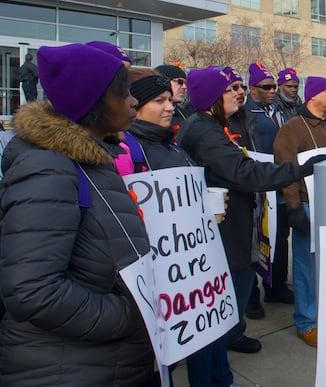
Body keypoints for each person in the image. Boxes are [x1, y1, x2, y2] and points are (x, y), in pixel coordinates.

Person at [0, 43, 154, 386]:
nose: (133, 102)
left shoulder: (94, 158)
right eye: (124, 92)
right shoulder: (48, 168)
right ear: (95, 101)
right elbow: (32, 291)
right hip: (66, 369)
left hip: (107, 362)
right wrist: (133, 313)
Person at [176, 67, 326, 356]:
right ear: (212, 99)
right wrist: (299, 170)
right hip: (224, 226)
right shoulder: (205, 132)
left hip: (235, 219)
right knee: (232, 286)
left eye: (239, 88)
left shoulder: (210, 126)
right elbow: (243, 172)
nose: (239, 93)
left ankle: (233, 333)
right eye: (229, 90)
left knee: (244, 278)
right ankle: (222, 345)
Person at [127, 70, 233, 386]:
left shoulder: (170, 144)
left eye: (169, 99)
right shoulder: (130, 151)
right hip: (162, 276)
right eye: (158, 101)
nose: (170, 106)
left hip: (191, 272)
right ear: (136, 106)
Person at [274, 76, 326, 347]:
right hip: (307, 204)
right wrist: (293, 208)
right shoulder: (293, 128)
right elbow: (286, 169)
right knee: (306, 266)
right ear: (314, 95)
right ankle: (306, 321)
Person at [239, 62, 293, 313]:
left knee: (280, 237)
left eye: (274, 87)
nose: (272, 91)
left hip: (279, 182)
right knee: (255, 240)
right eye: (266, 87)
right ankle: (252, 296)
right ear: (252, 89)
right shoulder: (244, 113)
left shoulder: (279, 110)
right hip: (257, 183)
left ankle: (277, 286)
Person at [155, 63, 190, 129]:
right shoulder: (150, 116)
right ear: (164, 81)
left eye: (185, 83)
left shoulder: (185, 116)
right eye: (180, 82)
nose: (184, 87)